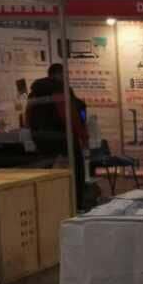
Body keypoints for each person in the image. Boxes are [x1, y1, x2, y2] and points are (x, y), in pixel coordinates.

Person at [26, 63, 89, 208]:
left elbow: (28, 116)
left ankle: (50, 205)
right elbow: (70, 117)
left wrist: (34, 136)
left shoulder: (34, 92)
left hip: (41, 140)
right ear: (59, 74)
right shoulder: (60, 90)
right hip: (63, 139)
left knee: (48, 175)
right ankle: (76, 205)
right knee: (76, 173)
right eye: (64, 74)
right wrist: (83, 138)